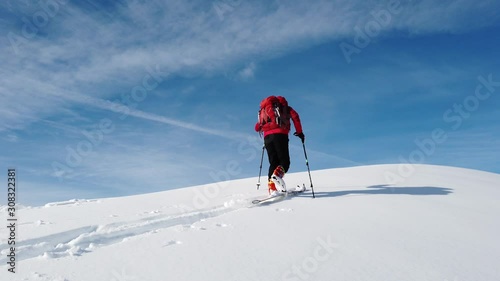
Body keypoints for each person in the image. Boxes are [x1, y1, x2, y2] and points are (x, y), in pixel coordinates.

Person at [255, 96, 305, 195]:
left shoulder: (265, 110)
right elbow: (295, 117)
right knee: (285, 162)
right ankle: (277, 176)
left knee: (273, 163)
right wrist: (299, 132)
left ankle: (272, 189)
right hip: (280, 135)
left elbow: (257, 128)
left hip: (267, 138)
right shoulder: (285, 108)